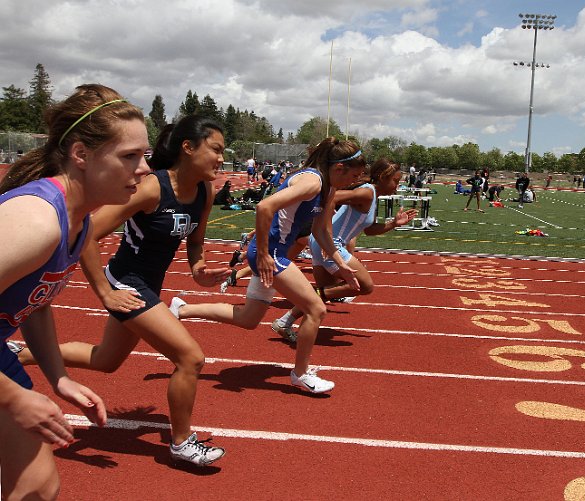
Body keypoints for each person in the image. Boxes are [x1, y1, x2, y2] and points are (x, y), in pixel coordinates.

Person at [16, 115, 232, 467]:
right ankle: (181, 443)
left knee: (106, 361)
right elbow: (86, 231)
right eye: (216, 149)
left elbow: (195, 243)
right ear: (188, 147)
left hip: (148, 285)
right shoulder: (152, 188)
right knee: (190, 358)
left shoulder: (204, 191)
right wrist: (104, 291)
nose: (221, 158)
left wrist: (200, 271)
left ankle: (22, 354)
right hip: (126, 281)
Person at [0, 84, 149, 499]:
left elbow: (35, 304)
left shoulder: (80, 221)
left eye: (145, 156)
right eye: (129, 156)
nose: (144, 170)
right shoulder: (37, 221)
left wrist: (59, 378)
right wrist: (12, 397)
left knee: (38, 487)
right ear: (81, 155)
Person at [170, 138, 365, 394]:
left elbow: (320, 229)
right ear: (338, 168)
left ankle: (181, 309)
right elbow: (264, 206)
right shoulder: (312, 182)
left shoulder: (327, 188)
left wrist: (341, 263)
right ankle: (300, 374)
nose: (356, 181)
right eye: (354, 175)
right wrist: (262, 254)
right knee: (315, 309)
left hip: (274, 253)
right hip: (271, 254)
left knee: (248, 318)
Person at [271, 158, 417, 341]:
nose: (397, 185)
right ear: (382, 177)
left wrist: (394, 223)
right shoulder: (367, 193)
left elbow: (370, 231)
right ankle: (308, 302)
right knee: (364, 286)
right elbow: (332, 198)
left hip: (320, 242)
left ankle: (285, 321)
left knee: (324, 292)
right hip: (330, 243)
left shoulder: (372, 197)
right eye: (395, 180)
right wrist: (328, 237)